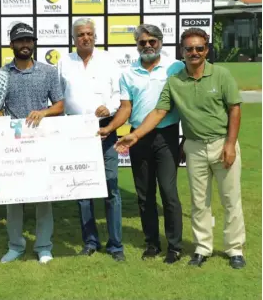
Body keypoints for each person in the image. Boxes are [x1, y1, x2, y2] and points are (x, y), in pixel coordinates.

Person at [115, 28, 246, 269]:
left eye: (199, 48)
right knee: (199, 202)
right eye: (189, 49)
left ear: (206, 50)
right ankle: (202, 248)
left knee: (230, 200)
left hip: (222, 143)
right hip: (194, 146)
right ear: (182, 52)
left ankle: (235, 249)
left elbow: (234, 109)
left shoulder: (221, 75)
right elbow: (159, 112)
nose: (194, 52)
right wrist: (134, 135)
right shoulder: (174, 80)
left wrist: (229, 144)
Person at [98, 24, 184, 263]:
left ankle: (175, 246)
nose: (147, 45)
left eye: (152, 41)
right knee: (145, 195)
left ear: (160, 42)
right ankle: (152, 244)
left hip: (166, 136)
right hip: (138, 137)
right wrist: (110, 128)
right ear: (137, 45)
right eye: (142, 42)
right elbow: (126, 108)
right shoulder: (128, 73)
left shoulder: (175, 67)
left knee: (169, 193)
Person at [57, 18, 125, 261]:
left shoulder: (108, 61)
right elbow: (58, 97)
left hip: (104, 129)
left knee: (111, 187)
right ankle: (90, 241)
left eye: (89, 34)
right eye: (80, 35)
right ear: (73, 39)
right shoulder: (64, 62)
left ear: (95, 36)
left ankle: (116, 245)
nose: (85, 38)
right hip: (75, 132)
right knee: (82, 189)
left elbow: (119, 94)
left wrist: (109, 107)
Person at [0, 22, 64, 264]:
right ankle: (15, 246)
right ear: (12, 44)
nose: (25, 45)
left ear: (34, 43)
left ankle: (44, 246)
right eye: (20, 41)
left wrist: (43, 112)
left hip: (41, 142)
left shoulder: (48, 72)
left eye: (29, 40)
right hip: (13, 143)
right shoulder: (2, 73)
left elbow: (60, 104)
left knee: (43, 198)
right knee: (13, 200)